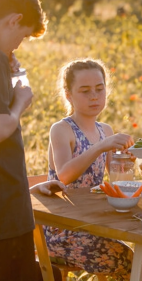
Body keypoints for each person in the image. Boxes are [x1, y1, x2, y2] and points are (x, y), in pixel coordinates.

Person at [46, 58, 135, 279]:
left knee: (140, 257)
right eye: (85, 91)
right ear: (68, 94)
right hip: (63, 228)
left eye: (99, 89)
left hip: (94, 222)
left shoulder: (105, 129)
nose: (94, 96)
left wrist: (126, 160)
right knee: (130, 261)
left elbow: (116, 178)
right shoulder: (62, 129)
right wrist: (101, 146)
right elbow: (64, 175)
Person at [0, 0, 49, 279]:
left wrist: (16, 73)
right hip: (5, 213)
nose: (21, 43)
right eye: (24, 35)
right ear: (14, 20)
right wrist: (20, 104)